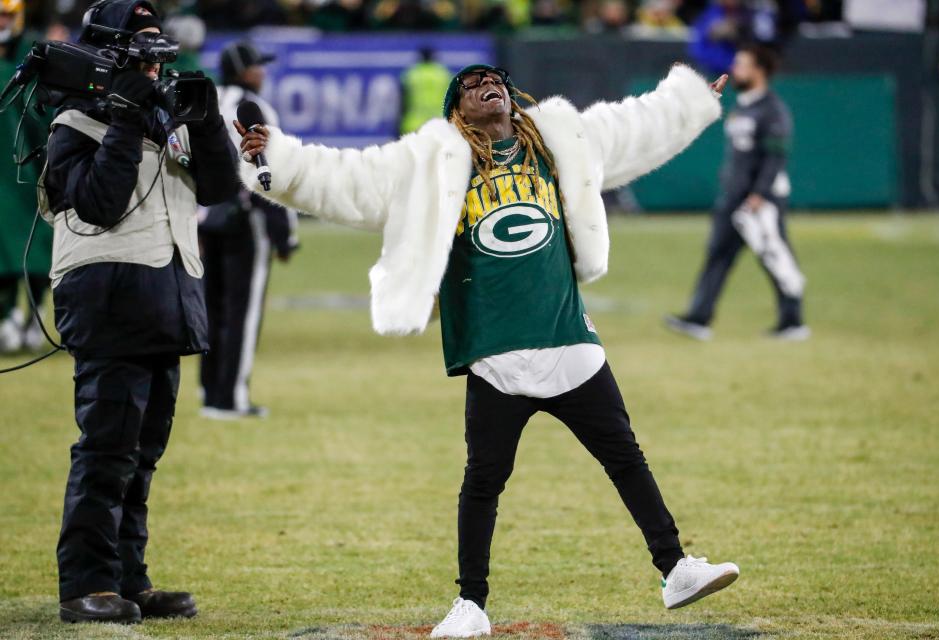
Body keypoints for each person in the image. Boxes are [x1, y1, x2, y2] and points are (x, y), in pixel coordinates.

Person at [236, 61, 740, 637]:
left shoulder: (558, 142)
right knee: (483, 482)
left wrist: (688, 100)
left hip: (566, 339)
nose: (485, 85)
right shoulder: (431, 163)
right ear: (457, 109)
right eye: (471, 85)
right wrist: (281, 160)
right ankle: (470, 604)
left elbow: (631, 127)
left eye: (493, 79)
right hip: (494, 353)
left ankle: (675, 568)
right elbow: (350, 176)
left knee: (626, 458)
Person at [41, 0, 236, 623]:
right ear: (109, 50)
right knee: (106, 449)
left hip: (162, 298)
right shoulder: (73, 121)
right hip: (110, 302)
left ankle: (129, 579)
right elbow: (98, 203)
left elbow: (222, 191)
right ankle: (86, 584)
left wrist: (204, 126)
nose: (154, 59)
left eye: (159, 45)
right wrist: (124, 115)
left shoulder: (161, 118)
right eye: (140, 44)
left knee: (142, 452)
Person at [665, 44, 808, 341]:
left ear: (760, 70)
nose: (736, 70)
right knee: (717, 255)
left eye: (743, 64)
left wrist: (759, 193)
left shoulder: (772, 109)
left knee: (774, 258)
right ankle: (699, 319)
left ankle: (793, 322)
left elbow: (776, 156)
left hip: (759, 200)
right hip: (734, 197)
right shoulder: (744, 105)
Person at [198, 40, 298, 420]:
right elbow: (271, 171)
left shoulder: (206, 99)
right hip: (246, 217)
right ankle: (230, 398)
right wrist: (284, 234)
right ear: (243, 70)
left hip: (206, 217)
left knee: (211, 308)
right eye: (257, 66)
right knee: (243, 312)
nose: (263, 72)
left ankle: (209, 392)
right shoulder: (256, 108)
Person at [0, 0, 53, 354]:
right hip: (6, 177)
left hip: (29, 173)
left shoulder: (35, 59)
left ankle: (33, 316)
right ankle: (6, 318)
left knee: (40, 252)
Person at [689, 0, 778, 75]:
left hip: (743, 71)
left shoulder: (750, 12)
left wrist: (741, 31)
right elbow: (696, 48)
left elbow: (764, 39)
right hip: (712, 71)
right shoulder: (710, 14)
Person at [398, 47, 452, 136]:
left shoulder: (412, 74)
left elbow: (402, 102)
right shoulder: (444, 74)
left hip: (414, 124)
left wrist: (398, 123)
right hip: (439, 124)